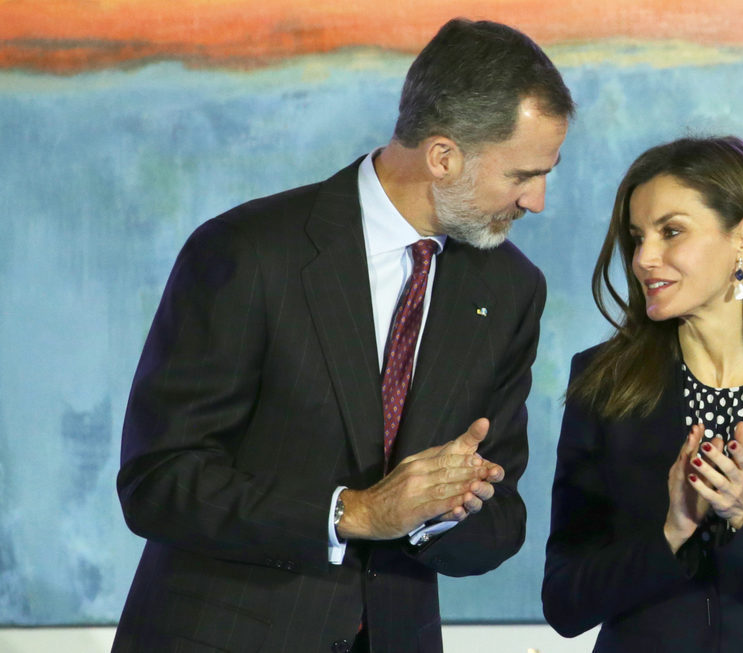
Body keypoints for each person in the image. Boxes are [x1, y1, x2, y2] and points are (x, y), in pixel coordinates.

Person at [114, 18, 573, 653]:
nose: (537, 200)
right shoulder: (248, 252)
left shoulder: (511, 290)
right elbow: (158, 481)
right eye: (521, 175)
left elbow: (499, 524)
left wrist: (442, 508)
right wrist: (352, 512)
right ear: (443, 157)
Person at [542, 137, 743, 652]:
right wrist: (671, 532)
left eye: (671, 232)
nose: (644, 258)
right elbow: (564, 603)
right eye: (637, 237)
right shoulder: (603, 381)